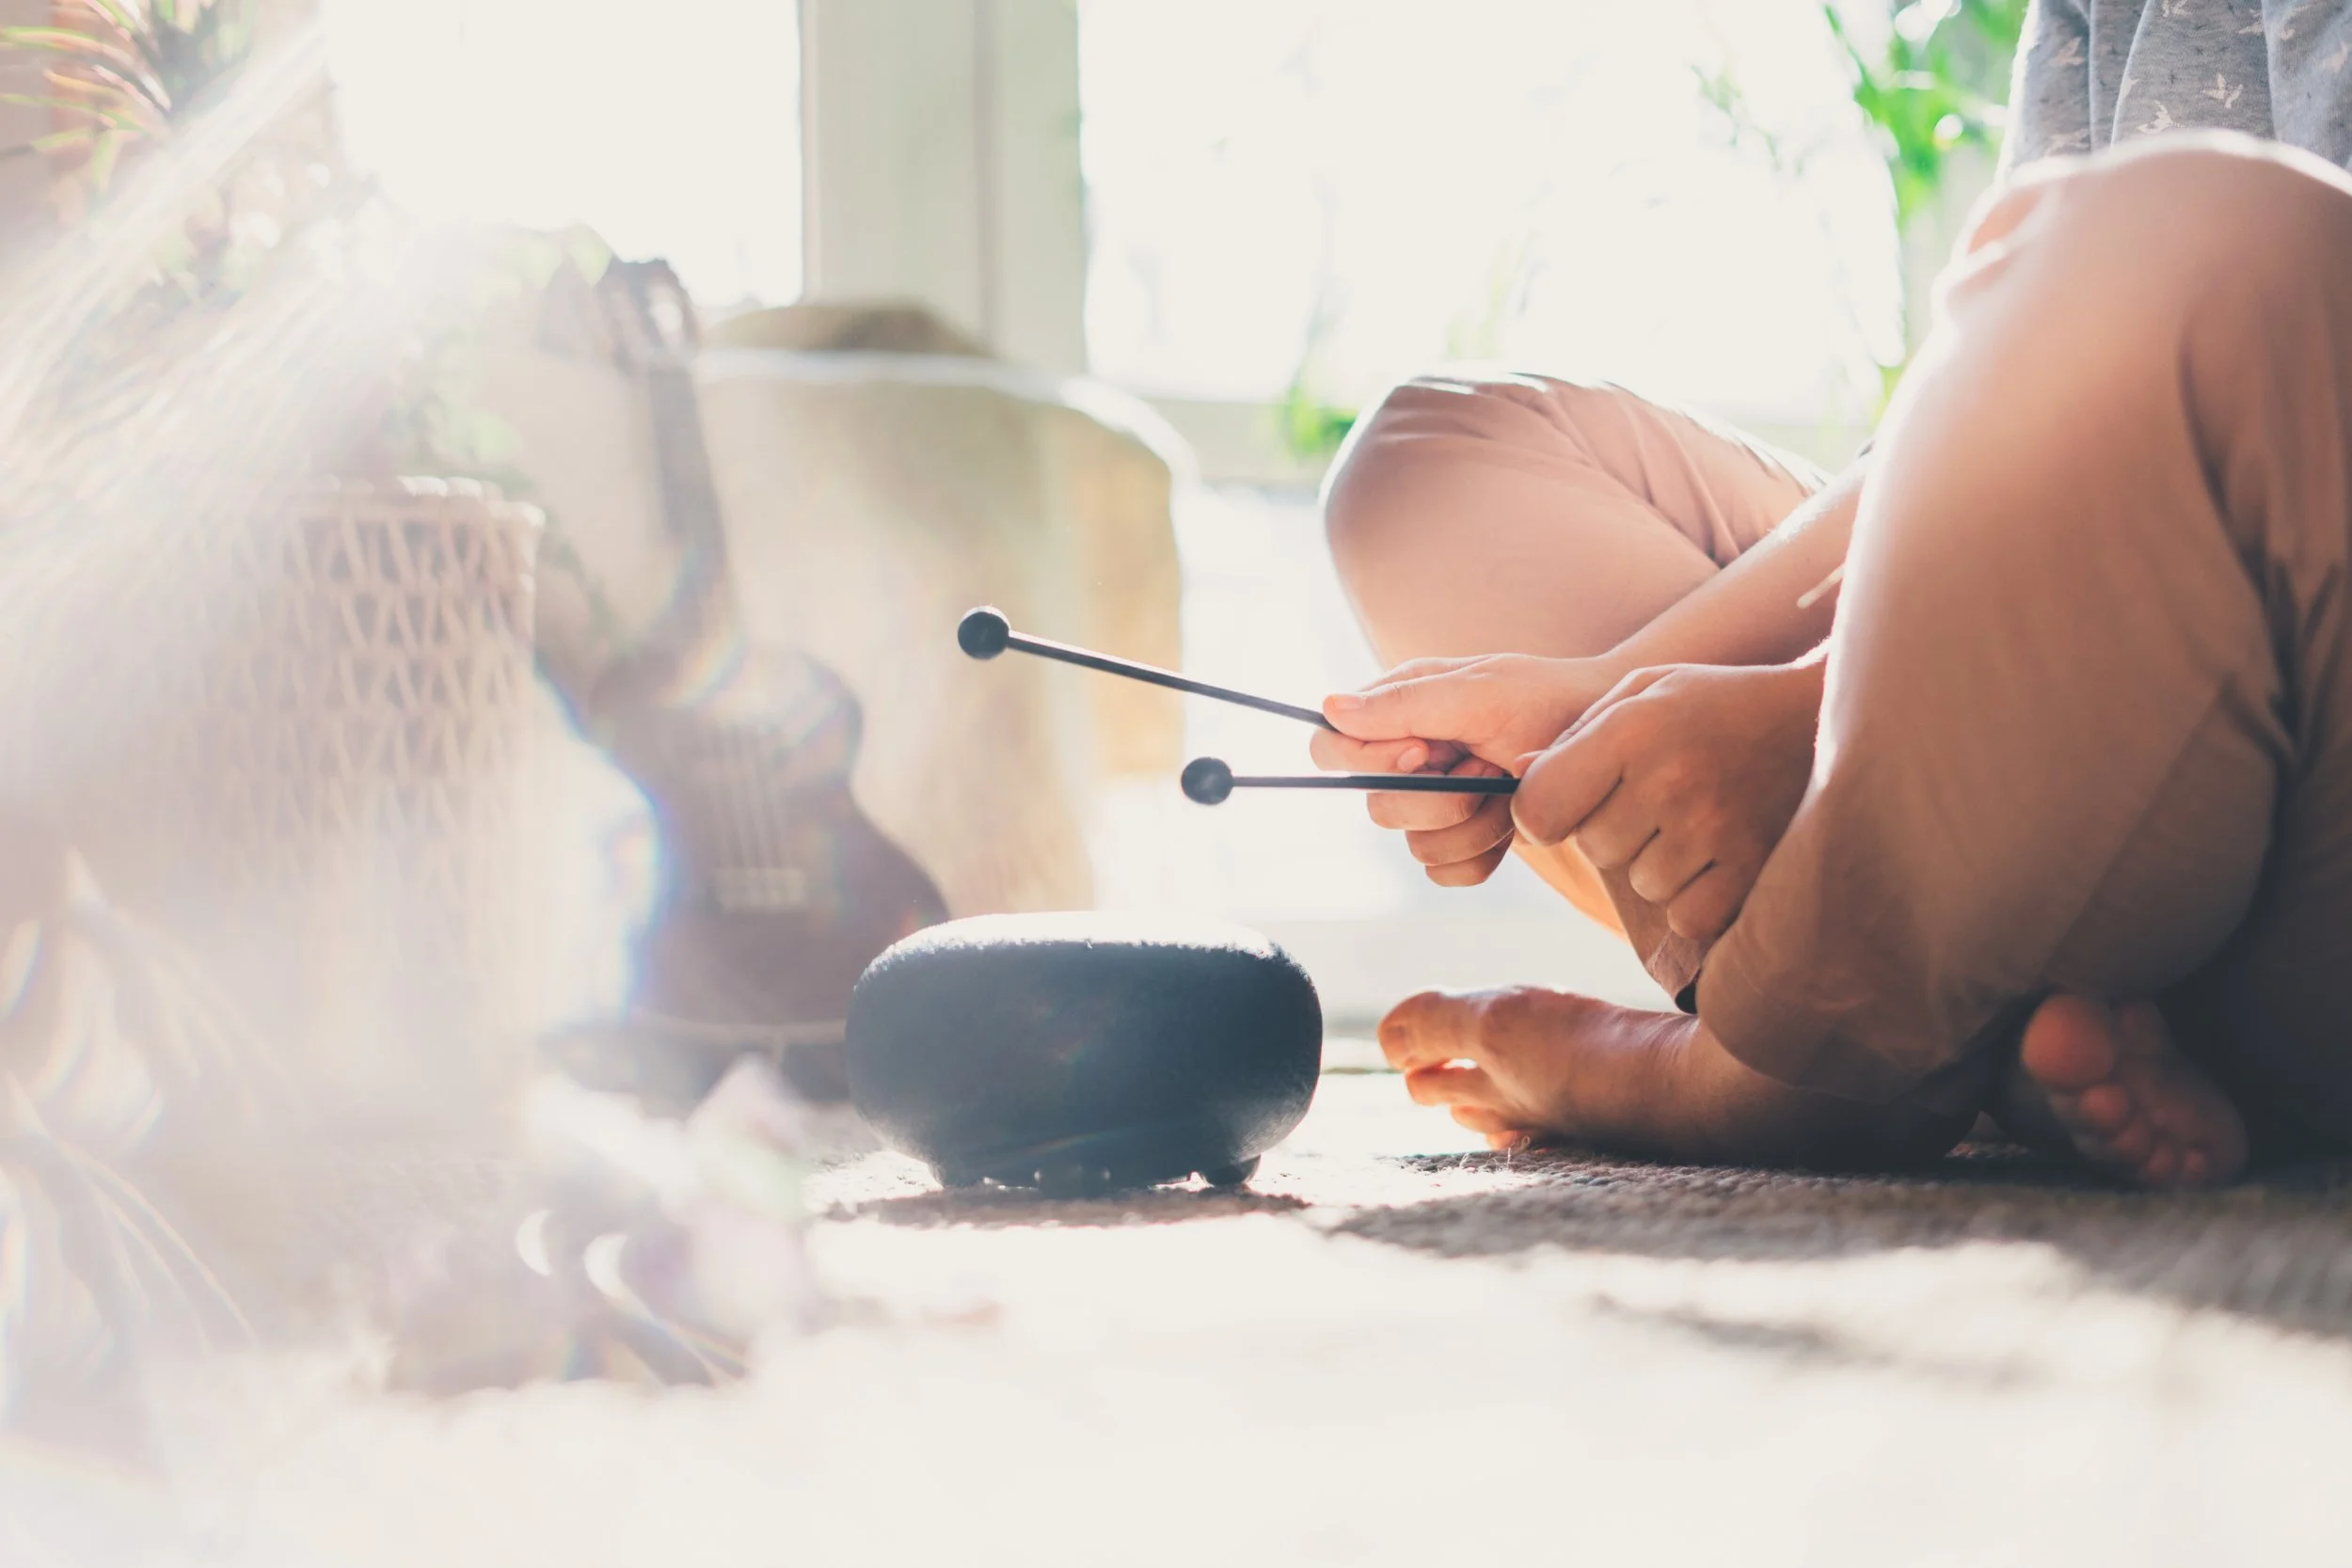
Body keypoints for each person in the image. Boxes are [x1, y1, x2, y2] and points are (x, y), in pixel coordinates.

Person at [1311, 0, 2352, 1188]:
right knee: (1430, 460)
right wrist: (1609, 699)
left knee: (2209, 234)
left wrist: (1813, 713)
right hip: (2123, 735)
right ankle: (1981, 1023)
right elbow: (2012, 415)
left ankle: (1748, 1073)